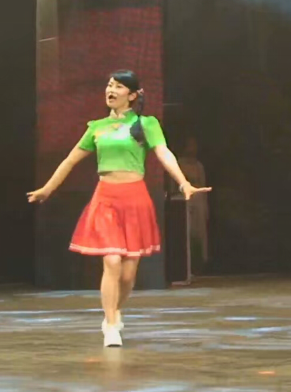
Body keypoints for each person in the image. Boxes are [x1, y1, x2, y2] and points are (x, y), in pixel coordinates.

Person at [27, 70, 211, 348]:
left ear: (133, 95)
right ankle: (111, 324)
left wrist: (183, 182)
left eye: (119, 87)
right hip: (106, 198)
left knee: (128, 275)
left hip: (135, 198)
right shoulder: (97, 127)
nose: (111, 90)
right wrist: (47, 188)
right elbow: (70, 160)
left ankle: (116, 310)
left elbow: (164, 153)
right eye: (109, 85)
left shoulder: (145, 124)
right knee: (112, 260)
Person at [173, 136, 209, 272]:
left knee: (199, 233)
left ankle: (200, 264)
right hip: (182, 199)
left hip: (198, 199)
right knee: (185, 232)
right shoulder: (178, 163)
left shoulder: (199, 165)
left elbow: (203, 184)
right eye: (190, 145)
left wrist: (205, 207)